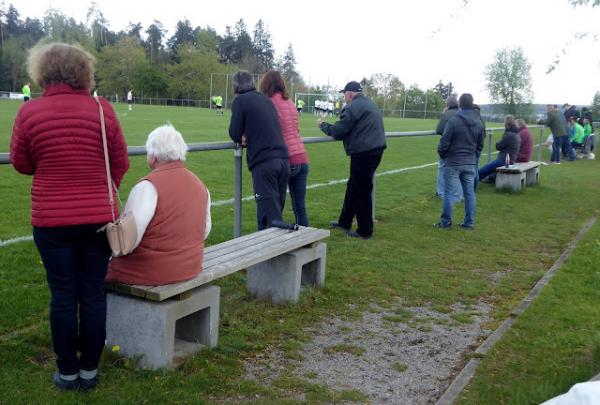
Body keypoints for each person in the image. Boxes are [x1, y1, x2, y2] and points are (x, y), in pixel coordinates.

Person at [9, 42, 129, 391]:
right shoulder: (102, 109)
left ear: (42, 71)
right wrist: (100, 192)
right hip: (98, 220)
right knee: (92, 293)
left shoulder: (30, 113)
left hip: (51, 220)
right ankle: (89, 370)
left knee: (63, 294)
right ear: (84, 72)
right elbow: (119, 161)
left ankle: (67, 372)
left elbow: (21, 162)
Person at [106, 124, 211, 285]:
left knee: (91, 268)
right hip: (190, 267)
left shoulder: (147, 186)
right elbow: (204, 230)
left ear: (153, 157)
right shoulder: (200, 185)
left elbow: (126, 242)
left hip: (152, 272)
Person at [318, 81, 387, 240]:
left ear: (349, 94)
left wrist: (323, 125)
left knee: (361, 190)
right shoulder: (369, 103)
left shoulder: (354, 106)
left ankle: (365, 231)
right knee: (354, 186)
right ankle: (344, 221)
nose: (344, 98)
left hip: (364, 152)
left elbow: (339, 131)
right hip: (375, 150)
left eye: (344, 94)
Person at [228, 70, 289, 230]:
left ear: (235, 87)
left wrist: (242, 137)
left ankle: (271, 254)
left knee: (270, 221)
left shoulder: (240, 101)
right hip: (283, 161)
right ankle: (276, 252)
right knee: (275, 216)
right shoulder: (265, 99)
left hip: (265, 163)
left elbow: (234, 133)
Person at [259, 70, 310, 226]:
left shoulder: (269, 103)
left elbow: (267, 130)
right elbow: (295, 129)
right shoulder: (291, 103)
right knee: (299, 207)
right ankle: (306, 241)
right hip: (302, 157)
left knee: (275, 207)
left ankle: (271, 242)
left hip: (285, 159)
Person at [434, 93, 484, 230]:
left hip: (453, 162)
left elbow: (444, 142)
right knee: (469, 193)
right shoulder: (479, 121)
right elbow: (480, 144)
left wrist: (443, 155)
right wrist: (474, 157)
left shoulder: (454, 120)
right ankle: (469, 223)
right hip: (470, 162)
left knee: (449, 193)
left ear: (460, 104)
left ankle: (445, 223)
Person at [435, 96, 462, 203]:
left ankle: (441, 192)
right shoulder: (462, 114)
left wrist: (444, 115)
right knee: (459, 172)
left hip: (449, 147)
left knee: (442, 169)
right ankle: (459, 195)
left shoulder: (447, 114)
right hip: (462, 149)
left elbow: (439, 129)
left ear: (447, 104)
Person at [478, 115, 520, 182]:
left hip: (504, 160)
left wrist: (497, 143)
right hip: (511, 159)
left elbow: (498, 146)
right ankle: (485, 179)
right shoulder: (516, 133)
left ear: (506, 123)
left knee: (483, 170)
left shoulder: (509, 134)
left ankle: (472, 180)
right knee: (489, 169)